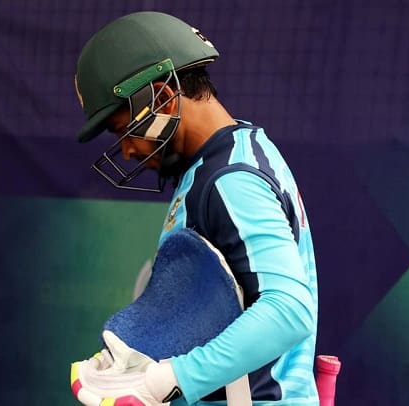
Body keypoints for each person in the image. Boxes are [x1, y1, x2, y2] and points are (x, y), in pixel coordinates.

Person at [72, 11, 319, 406]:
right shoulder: (227, 159)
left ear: (163, 98)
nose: (128, 150)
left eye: (123, 131)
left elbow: (289, 310)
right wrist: (140, 354)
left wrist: (169, 379)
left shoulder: (231, 179)